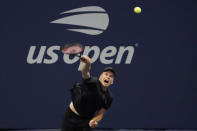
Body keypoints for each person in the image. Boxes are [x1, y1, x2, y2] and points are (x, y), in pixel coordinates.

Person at [61, 55, 116, 131]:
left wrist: (94, 120)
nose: (108, 77)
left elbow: (100, 113)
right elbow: (85, 72)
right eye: (106, 74)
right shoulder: (93, 82)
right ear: (100, 76)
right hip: (71, 116)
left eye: (111, 76)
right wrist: (88, 64)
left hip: (86, 121)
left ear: (112, 82)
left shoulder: (109, 97)